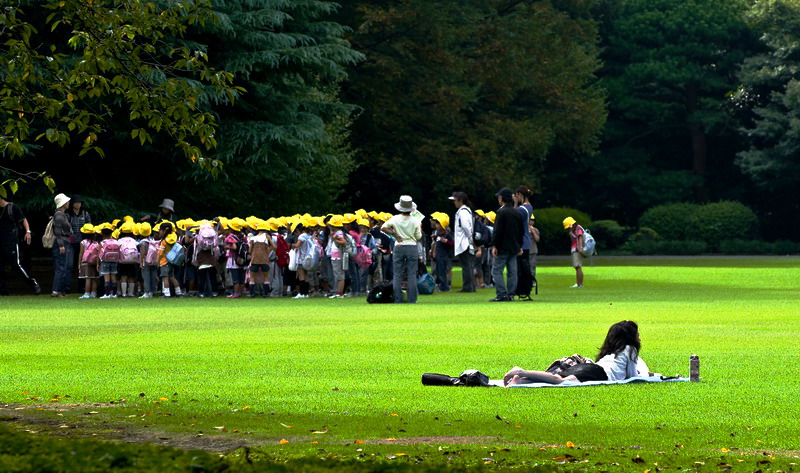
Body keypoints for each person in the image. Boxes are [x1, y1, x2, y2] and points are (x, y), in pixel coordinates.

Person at [503, 320, 652, 386]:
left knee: (556, 379)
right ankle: (520, 371)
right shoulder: (630, 348)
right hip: (599, 373)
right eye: (637, 333)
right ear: (631, 336)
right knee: (559, 381)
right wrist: (644, 374)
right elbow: (632, 377)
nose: (639, 336)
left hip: (591, 368)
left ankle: (520, 380)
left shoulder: (612, 350)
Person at [381, 195, 422, 304]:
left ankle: (398, 299)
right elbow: (418, 237)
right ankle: (412, 299)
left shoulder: (395, 218)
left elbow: (383, 227)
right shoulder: (415, 220)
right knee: (412, 274)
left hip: (399, 246)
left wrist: (395, 234)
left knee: (397, 274)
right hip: (412, 246)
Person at [0, 193, 40, 295]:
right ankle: (3, 291)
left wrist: (28, 232)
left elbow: (23, 220)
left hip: (11, 241)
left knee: (16, 265)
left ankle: (33, 283)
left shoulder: (12, 208)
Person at [489, 187, 523, 302]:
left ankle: (501, 294)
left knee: (496, 270)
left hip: (502, 247)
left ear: (501, 198)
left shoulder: (501, 212)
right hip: (514, 247)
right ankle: (511, 294)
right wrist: (520, 245)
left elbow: (497, 231)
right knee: (512, 272)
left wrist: (494, 245)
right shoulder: (517, 212)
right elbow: (521, 231)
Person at [449, 191, 475, 293]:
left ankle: (468, 287)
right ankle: (470, 286)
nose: (454, 202)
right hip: (466, 241)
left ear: (460, 201)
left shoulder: (463, 212)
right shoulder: (465, 211)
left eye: (455, 200)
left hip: (464, 242)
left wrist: (470, 238)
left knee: (466, 266)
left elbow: (465, 226)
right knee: (468, 265)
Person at [66, 194, 91, 293]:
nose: (78, 204)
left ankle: (82, 287)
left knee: (82, 265)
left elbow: (89, 227)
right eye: (76, 203)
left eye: (79, 203)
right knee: (70, 265)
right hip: (71, 243)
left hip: (82, 243)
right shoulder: (68, 214)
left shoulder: (85, 214)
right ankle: (67, 287)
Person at [513, 185, 534, 300]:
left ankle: (521, 289)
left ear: (520, 195)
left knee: (520, 267)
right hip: (526, 240)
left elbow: (514, 217)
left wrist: (515, 204)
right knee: (525, 265)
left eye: (516, 195)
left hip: (521, 241)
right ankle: (525, 288)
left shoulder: (522, 209)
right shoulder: (529, 207)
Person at [51, 193, 73, 297]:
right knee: (60, 266)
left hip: (64, 242)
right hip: (62, 242)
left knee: (63, 266)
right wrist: (61, 245)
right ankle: (56, 290)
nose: (68, 203)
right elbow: (57, 232)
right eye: (66, 202)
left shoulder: (61, 214)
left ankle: (60, 291)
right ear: (63, 203)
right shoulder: (59, 215)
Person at [563, 216, 585, 288]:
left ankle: (579, 284)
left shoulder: (578, 228)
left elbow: (580, 237)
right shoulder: (573, 230)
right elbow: (573, 240)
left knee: (578, 266)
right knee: (577, 267)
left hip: (577, 250)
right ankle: (578, 283)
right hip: (574, 249)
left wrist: (580, 248)